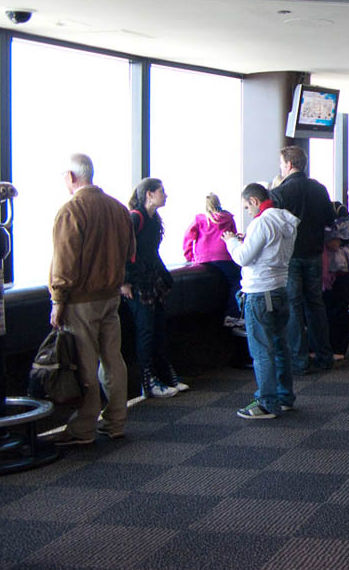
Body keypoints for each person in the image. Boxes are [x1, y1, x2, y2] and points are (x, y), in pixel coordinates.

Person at [47, 153, 136, 446]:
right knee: (113, 359)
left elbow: (65, 260)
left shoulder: (72, 210)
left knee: (85, 363)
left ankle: (84, 428)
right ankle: (116, 421)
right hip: (111, 296)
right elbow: (128, 252)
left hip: (81, 301)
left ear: (72, 177)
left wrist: (57, 300)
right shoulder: (118, 208)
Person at [223, 183, 299, 418]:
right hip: (279, 289)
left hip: (259, 292)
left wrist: (231, 241)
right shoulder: (286, 221)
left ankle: (266, 403)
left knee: (261, 351)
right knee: (280, 347)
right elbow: (270, 249)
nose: (247, 211)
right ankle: (284, 396)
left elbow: (243, 258)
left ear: (254, 201)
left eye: (247, 206)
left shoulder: (261, 222)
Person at [270, 145, 334, 374]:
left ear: (288, 165)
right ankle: (325, 356)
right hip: (315, 254)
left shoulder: (280, 193)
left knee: (293, 308)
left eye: (281, 164)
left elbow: (272, 225)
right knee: (315, 305)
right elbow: (330, 218)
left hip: (291, 256)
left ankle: (299, 360)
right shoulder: (319, 189)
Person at [123, 177, 185, 398]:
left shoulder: (152, 220)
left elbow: (150, 253)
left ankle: (162, 375)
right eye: (161, 191)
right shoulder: (136, 218)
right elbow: (122, 250)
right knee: (146, 330)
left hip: (151, 281)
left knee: (157, 328)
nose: (165, 195)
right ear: (149, 194)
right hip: (139, 283)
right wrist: (124, 282)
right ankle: (148, 381)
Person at [182, 192, 242, 327]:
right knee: (237, 281)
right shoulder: (228, 218)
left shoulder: (200, 219)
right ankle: (232, 314)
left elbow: (188, 238)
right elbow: (233, 237)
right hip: (223, 256)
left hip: (203, 257)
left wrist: (190, 257)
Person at [322, 201, 349, 363]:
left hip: (337, 268)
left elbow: (335, 243)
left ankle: (338, 347)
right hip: (336, 268)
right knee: (334, 308)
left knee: (336, 307)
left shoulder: (333, 218)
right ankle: (336, 347)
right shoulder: (338, 215)